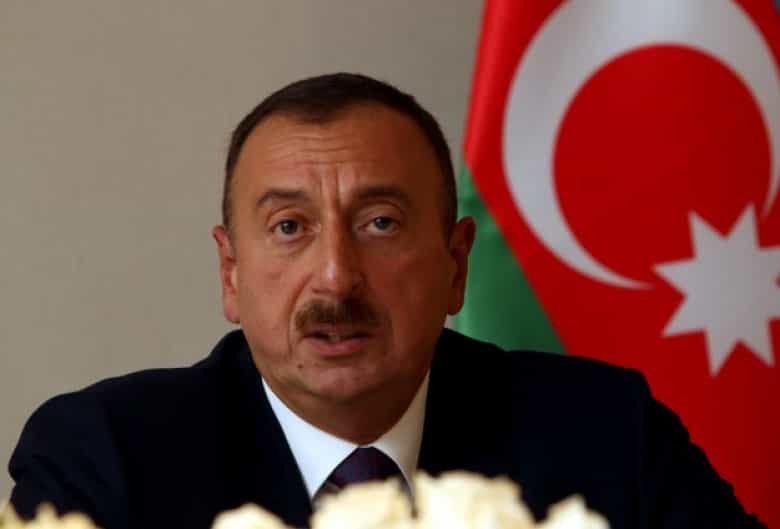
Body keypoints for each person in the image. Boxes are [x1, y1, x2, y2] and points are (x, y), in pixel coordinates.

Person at [6, 73, 766, 529]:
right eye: (290, 227)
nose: (336, 278)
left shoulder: (605, 434)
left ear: (456, 263)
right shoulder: (106, 457)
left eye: (380, 223)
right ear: (231, 272)